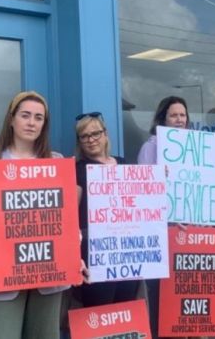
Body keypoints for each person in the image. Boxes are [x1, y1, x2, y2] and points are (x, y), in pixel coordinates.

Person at [0, 91, 71, 339]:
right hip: (1, 270)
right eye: (25, 116)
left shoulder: (55, 161)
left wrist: (73, 254)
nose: (32, 122)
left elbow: (64, 219)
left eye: (38, 117)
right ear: (11, 120)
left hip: (49, 269)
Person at [136, 95, 190, 339]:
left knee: (184, 295)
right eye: (174, 115)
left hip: (188, 231)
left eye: (182, 115)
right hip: (161, 233)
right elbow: (142, 191)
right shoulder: (150, 147)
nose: (179, 120)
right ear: (163, 119)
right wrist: (158, 176)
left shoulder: (194, 147)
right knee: (160, 295)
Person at [74, 112, 140, 308]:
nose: (91, 140)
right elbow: (71, 216)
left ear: (105, 134)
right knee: (99, 311)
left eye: (95, 133)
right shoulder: (77, 169)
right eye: (84, 136)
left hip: (127, 251)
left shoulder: (124, 163)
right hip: (94, 253)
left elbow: (143, 202)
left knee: (125, 310)